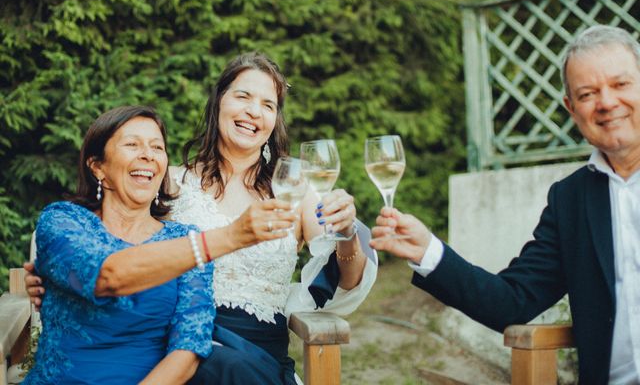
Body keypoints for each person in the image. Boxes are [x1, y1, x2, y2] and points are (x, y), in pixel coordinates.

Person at [26, 53, 377, 384]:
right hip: (175, 344)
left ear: (275, 120)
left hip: (257, 352)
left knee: (237, 369)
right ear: (219, 103)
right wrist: (50, 277)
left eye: (268, 105)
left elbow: (345, 278)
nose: (254, 111)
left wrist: (346, 233)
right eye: (243, 97)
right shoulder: (172, 182)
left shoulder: (294, 193)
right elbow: (107, 231)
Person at [370, 24, 640, 385]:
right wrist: (428, 251)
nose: (606, 102)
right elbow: (512, 301)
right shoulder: (571, 200)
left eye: (620, 85)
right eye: (588, 93)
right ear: (571, 108)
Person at [23, 105, 294, 384]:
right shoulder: (62, 221)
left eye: (157, 147)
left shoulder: (183, 238)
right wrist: (229, 237)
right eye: (132, 144)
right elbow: (107, 276)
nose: (147, 155)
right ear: (97, 166)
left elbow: (189, 346)